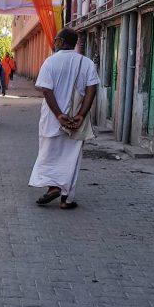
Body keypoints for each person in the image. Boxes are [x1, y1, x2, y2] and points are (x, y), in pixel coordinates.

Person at [29, 27, 99, 210]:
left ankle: (53, 186)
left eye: (56, 40)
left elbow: (46, 89)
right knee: (72, 158)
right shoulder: (87, 63)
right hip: (76, 121)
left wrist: (59, 114)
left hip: (52, 119)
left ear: (60, 41)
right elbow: (92, 90)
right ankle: (66, 200)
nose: (54, 43)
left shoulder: (50, 62)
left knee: (49, 155)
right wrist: (81, 115)